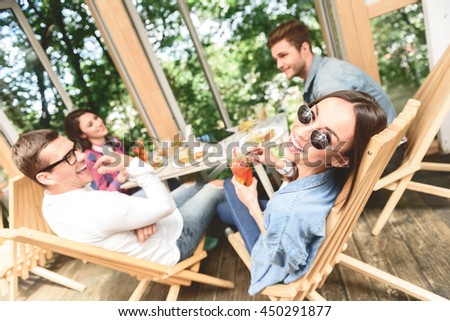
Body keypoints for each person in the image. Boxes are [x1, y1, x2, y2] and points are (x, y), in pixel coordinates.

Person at [217, 90, 387, 295]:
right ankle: (220, 211)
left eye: (322, 137)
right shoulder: (330, 174)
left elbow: (284, 259)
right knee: (224, 200)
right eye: (309, 116)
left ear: (340, 159)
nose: (299, 132)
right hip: (286, 226)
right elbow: (301, 173)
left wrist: (252, 204)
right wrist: (275, 161)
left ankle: (220, 219)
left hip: (271, 258)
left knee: (227, 189)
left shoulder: (287, 211)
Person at [11, 129, 224, 264]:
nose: (81, 155)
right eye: (68, 157)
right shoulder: (97, 207)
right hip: (172, 245)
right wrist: (133, 163)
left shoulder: (52, 203)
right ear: (45, 177)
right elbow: (164, 208)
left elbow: (109, 217)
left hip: (148, 241)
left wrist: (134, 221)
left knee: (192, 184)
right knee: (216, 184)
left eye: (74, 148)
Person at [267, 19, 405, 174]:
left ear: (304, 48)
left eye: (283, 55)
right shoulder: (323, 70)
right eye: (276, 59)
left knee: (314, 169)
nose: (279, 64)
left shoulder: (328, 85)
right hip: (383, 147)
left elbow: (331, 152)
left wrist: (283, 165)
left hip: (385, 154)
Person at [64, 109, 141, 195]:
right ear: (82, 134)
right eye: (90, 125)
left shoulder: (115, 141)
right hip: (124, 200)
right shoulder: (89, 158)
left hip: (139, 187)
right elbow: (104, 195)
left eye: (96, 118)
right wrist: (119, 180)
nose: (99, 123)